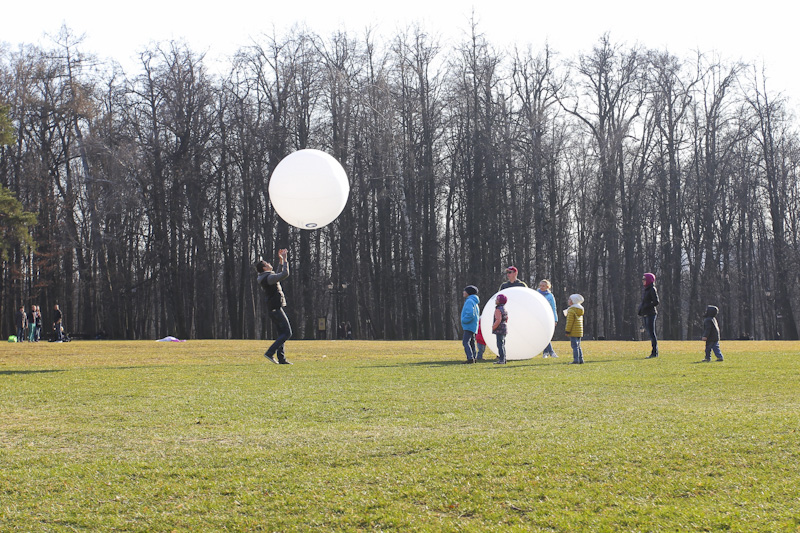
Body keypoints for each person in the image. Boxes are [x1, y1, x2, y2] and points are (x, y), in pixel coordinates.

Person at [256, 249, 293, 365]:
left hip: (272, 308)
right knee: (287, 333)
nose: (269, 264)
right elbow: (284, 274)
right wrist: (285, 260)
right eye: (267, 264)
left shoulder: (266, 277)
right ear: (264, 268)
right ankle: (270, 352)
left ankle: (281, 358)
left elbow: (276, 276)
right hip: (276, 308)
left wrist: (280, 261)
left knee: (282, 333)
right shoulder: (268, 278)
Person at [638, 273, 660, 358]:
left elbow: (656, 302)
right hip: (645, 313)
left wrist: (647, 306)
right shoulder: (645, 289)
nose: (643, 281)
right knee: (649, 333)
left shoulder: (652, 289)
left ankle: (654, 352)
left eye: (644, 279)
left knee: (651, 333)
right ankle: (654, 352)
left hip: (651, 314)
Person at [537, 279, 558, 358]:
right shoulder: (536, 293)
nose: (541, 287)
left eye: (543, 286)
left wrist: (555, 319)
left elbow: (553, 308)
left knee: (546, 335)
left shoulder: (550, 296)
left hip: (547, 318)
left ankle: (546, 352)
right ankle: (550, 352)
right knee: (544, 335)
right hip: (538, 317)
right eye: (540, 285)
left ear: (547, 287)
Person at [460, 285, 480, 364]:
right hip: (473, 325)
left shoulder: (469, 301)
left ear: (469, 292)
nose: (463, 292)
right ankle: (474, 357)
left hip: (469, 325)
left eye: (465, 291)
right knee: (472, 342)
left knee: (465, 342)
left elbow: (470, 314)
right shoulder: (474, 301)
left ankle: (470, 358)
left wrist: (464, 320)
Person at [564, 294, 585, 364]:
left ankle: (576, 360)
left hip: (573, 331)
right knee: (578, 346)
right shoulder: (580, 309)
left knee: (574, 346)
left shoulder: (571, 310)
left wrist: (567, 331)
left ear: (573, 301)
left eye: (569, 299)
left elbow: (570, 322)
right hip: (579, 331)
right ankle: (581, 359)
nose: (568, 300)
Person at [492, 293, 509, 364]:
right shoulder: (504, 309)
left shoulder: (498, 309)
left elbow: (498, 319)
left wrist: (493, 327)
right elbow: (506, 318)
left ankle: (501, 359)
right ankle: (504, 359)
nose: (495, 300)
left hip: (499, 329)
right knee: (503, 344)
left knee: (500, 344)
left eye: (497, 299)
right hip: (504, 328)